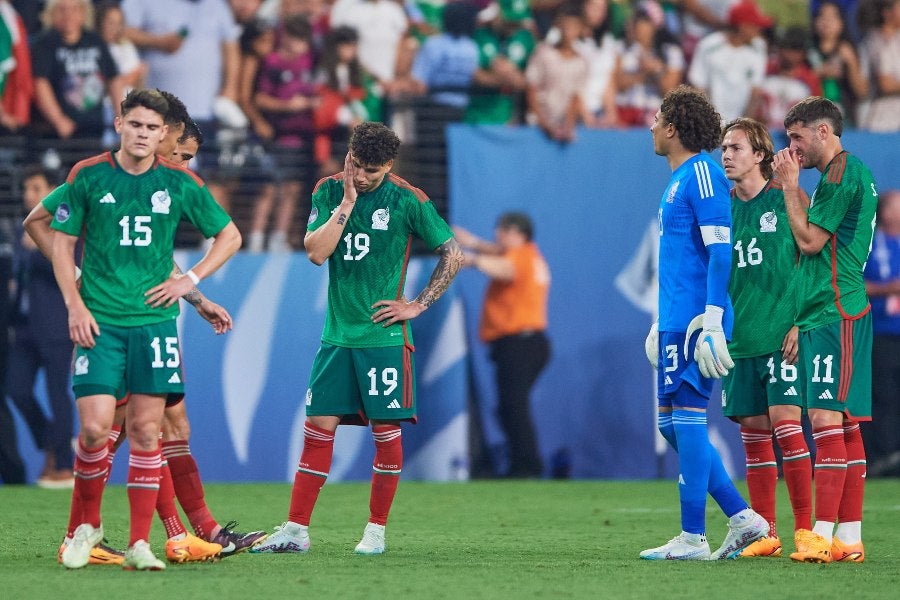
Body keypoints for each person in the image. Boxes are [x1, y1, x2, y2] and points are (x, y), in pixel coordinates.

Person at [251, 121, 463, 556]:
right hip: (337, 338)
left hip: (383, 339)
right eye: (356, 166)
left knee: (386, 434)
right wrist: (347, 202)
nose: (362, 176)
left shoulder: (408, 199)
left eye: (371, 170)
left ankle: (376, 532)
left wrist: (419, 303)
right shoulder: (329, 191)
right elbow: (315, 252)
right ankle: (295, 530)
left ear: (389, 165)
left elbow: (453, 252)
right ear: (347, 156)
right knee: (317, 430)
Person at [50, 88, 242, 570]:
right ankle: (91, 533)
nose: (181, 159)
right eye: (181, 151)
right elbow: (44, 224)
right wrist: (76, 289)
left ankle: (168, 536)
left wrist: (192, 289)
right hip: (105, 318)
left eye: (154, 131)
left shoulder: (175, 182)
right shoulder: (93, 175)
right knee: (105, 429)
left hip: (153, 322)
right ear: (128, 126)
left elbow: (161, 254)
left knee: (155, 426)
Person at [641, 85, 768, 561]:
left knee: (689, 422)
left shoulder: (704, 175)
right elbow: (678, 260)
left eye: (657, 119)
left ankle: (694, 536)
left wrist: (712, 318)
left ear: (673, 128)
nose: (651, 127)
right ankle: (742, 517)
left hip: (698, 322)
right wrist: (660, 321)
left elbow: (720, 253)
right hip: (676, 320)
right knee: (671, 426)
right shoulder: (677, 179)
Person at [773, 96, 877, 563]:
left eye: (797, 137)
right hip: (824, 312)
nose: (791, 149)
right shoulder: (840, 176)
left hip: (838, 310)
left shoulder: (840, 171)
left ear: (823, 132)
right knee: (845, 425)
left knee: (825, 421)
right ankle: (848, 538)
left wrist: (791, 188)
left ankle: (818, 533)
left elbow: (811, 242)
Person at [718, 117, 813, 558]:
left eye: (736, 147)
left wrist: (802, 321)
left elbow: (816, 259)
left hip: (782, 334)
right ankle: (765, 533)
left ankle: (807, 530)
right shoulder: (720, 208)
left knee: (788, 428)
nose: (726, 155)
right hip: (740, 341)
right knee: (754, 438)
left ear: (760, 155)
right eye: (723, 148)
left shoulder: (786, 198)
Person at [453, 212, 551, 478]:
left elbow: (505, 268)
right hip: (524, 344)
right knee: (510, 406)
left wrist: (470, 258)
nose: (497, 235)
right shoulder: (528, 254)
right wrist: (472, 242)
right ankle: (523, 463)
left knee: (514, 406)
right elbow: (498, 253)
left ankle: (527, 466)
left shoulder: (521, 256)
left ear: (517, 233)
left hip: (520, 344)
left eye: (502, 230)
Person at [7, 166, 76, 489]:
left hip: (56, 325)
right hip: (22, 326)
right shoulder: (21, 231)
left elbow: (73, 272)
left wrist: (41, 248)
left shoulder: (65, 226)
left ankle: (63, 464)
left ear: (53, 190)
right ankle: (54, 443)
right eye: (26, 188)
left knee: (57, 393)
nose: (28, 195)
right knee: (16, 389)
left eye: (36, 188)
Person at [31, 0, 125, 140]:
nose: (68, 15)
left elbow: (114, 80)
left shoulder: (95, 41)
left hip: (94, 129)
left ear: (83, 13)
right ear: (52, 13)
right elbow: (40, 84)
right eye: (62, 9)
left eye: (74, 9)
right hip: (57, 133)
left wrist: (121, 116)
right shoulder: (44, 44)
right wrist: (58, 119)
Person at [862, 189, 900, 477]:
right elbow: (853, 285)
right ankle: (882, 457)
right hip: (881, 332)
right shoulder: (872, 244)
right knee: (882, 395)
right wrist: (889, 288)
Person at [687, 0, 771, 123]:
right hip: (711, 122)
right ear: (743, 26)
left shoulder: (758, 48)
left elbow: (755, 92)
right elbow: (698, 86)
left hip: (741, 122)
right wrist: (708, 122)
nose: (758, 30)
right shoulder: (708, 46)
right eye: (754, 25)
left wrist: (743, 125)